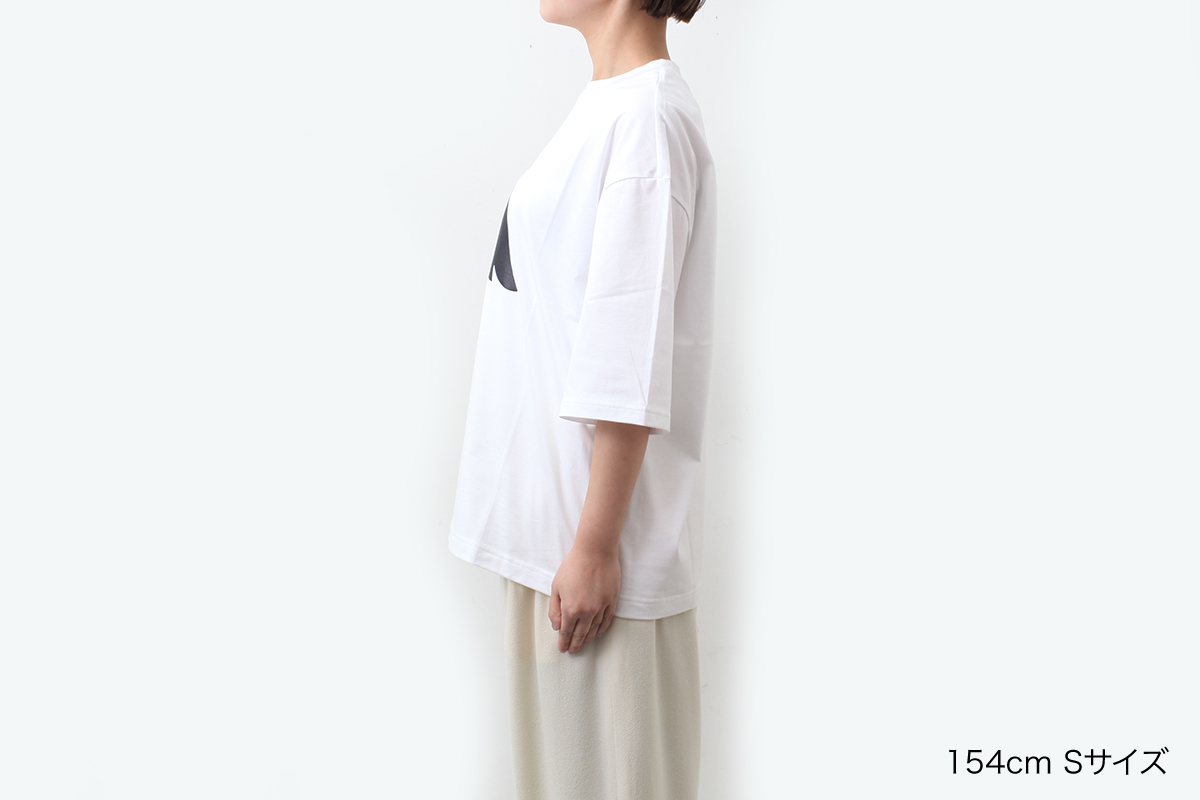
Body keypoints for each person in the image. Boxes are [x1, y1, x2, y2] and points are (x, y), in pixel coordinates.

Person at [448, 1, 716, 797]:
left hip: (593, 562)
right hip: (552, 546)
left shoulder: (647, 120)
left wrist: (596, 547)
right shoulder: (611, 106)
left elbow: (627, 353)